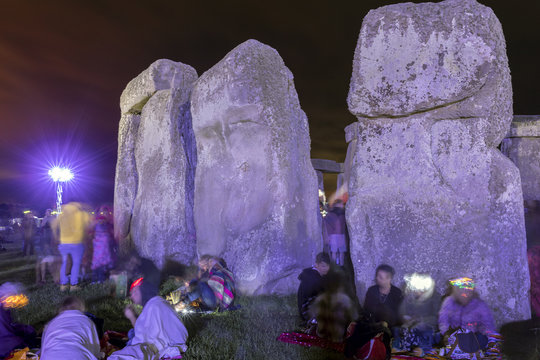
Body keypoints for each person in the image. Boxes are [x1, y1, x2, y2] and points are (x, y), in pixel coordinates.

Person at [109, 277, 188, 359]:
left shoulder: (154, 305)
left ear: (143, 291)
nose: (131, 296)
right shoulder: (155, 302)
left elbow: (143, 335)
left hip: (161, 345)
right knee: (131, 333)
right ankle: (127, 343)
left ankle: (126, 344)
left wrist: (132, 317)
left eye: (134, 292)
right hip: (165, 341)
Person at [395, 273, 441, 355]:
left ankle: (423, 349)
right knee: (399, 330)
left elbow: (437, 318)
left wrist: (421, 320)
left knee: (423, 329)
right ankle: (403, 347)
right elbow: (402, 313)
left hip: (428, 329)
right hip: (411, 327)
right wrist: (407, 319)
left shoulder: (435, 297)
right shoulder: (410, 297)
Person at [309, 270, 358, 342]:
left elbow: (312, 315)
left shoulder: (320, 298)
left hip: (321, 335)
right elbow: (355, 317)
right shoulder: (345, 299)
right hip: (338, 337)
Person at [51, 202, 91, 291]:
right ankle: (73, 285)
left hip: (64, 243)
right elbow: (89, 224)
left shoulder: (62, 214)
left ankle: (63, 285)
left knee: (65, 263)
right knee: (76, 264)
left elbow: (53, 224)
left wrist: (56, 236)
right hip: (76, 243)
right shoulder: (81, 214)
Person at [0, 283, 37, 358]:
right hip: (5, 347)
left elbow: (10, 326)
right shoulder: (1, 313)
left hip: (7, 341)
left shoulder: (5, 309)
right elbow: (6, 335)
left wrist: (26, 329)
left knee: (29, 331)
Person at [364, 264, 403, 328]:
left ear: (389, 278)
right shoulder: (372, 290)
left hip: (391, 327)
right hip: (373, 326)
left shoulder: (397, 293)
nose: (377, 278)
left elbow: (399, 314)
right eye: (377, 275)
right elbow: (366, 310)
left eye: (380, 277)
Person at [297, 252, 331, 322]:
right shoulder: (313, 278)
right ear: (316, 265)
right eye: (323, 266)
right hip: (308, 312)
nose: (326, 268)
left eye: (328, 266)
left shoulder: (313, 274)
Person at [91, 205, 116, 283]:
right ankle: (97, 279)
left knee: (101, 261)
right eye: (102, 212)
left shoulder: (107, 222)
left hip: (104, 245)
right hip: (100, 245)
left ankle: (99, 279)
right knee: (99, 261)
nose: (103, 213)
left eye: (105, 212)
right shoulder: (100, 220)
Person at [35, 209, 59, 285]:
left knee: (49, 260)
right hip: (45, 240)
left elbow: (55, 227)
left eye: (47, 212)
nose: (46, 213)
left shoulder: (52, 218)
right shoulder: (45, 218)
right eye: (46, 212)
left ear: (50, 212)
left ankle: (53, 278)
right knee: (45, 260)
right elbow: (41, 226)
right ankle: (43, 279)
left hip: (50, 239)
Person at [324, 200, 348, 266]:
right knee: (341, 251)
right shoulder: (344, 214)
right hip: (341, 235)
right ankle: (341, 265)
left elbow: (326, 225)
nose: (342, 205)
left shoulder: (330, 214)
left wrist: (327, 236)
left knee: (334, 251)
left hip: (333, 235)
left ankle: (334, 266)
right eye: (341, 204)